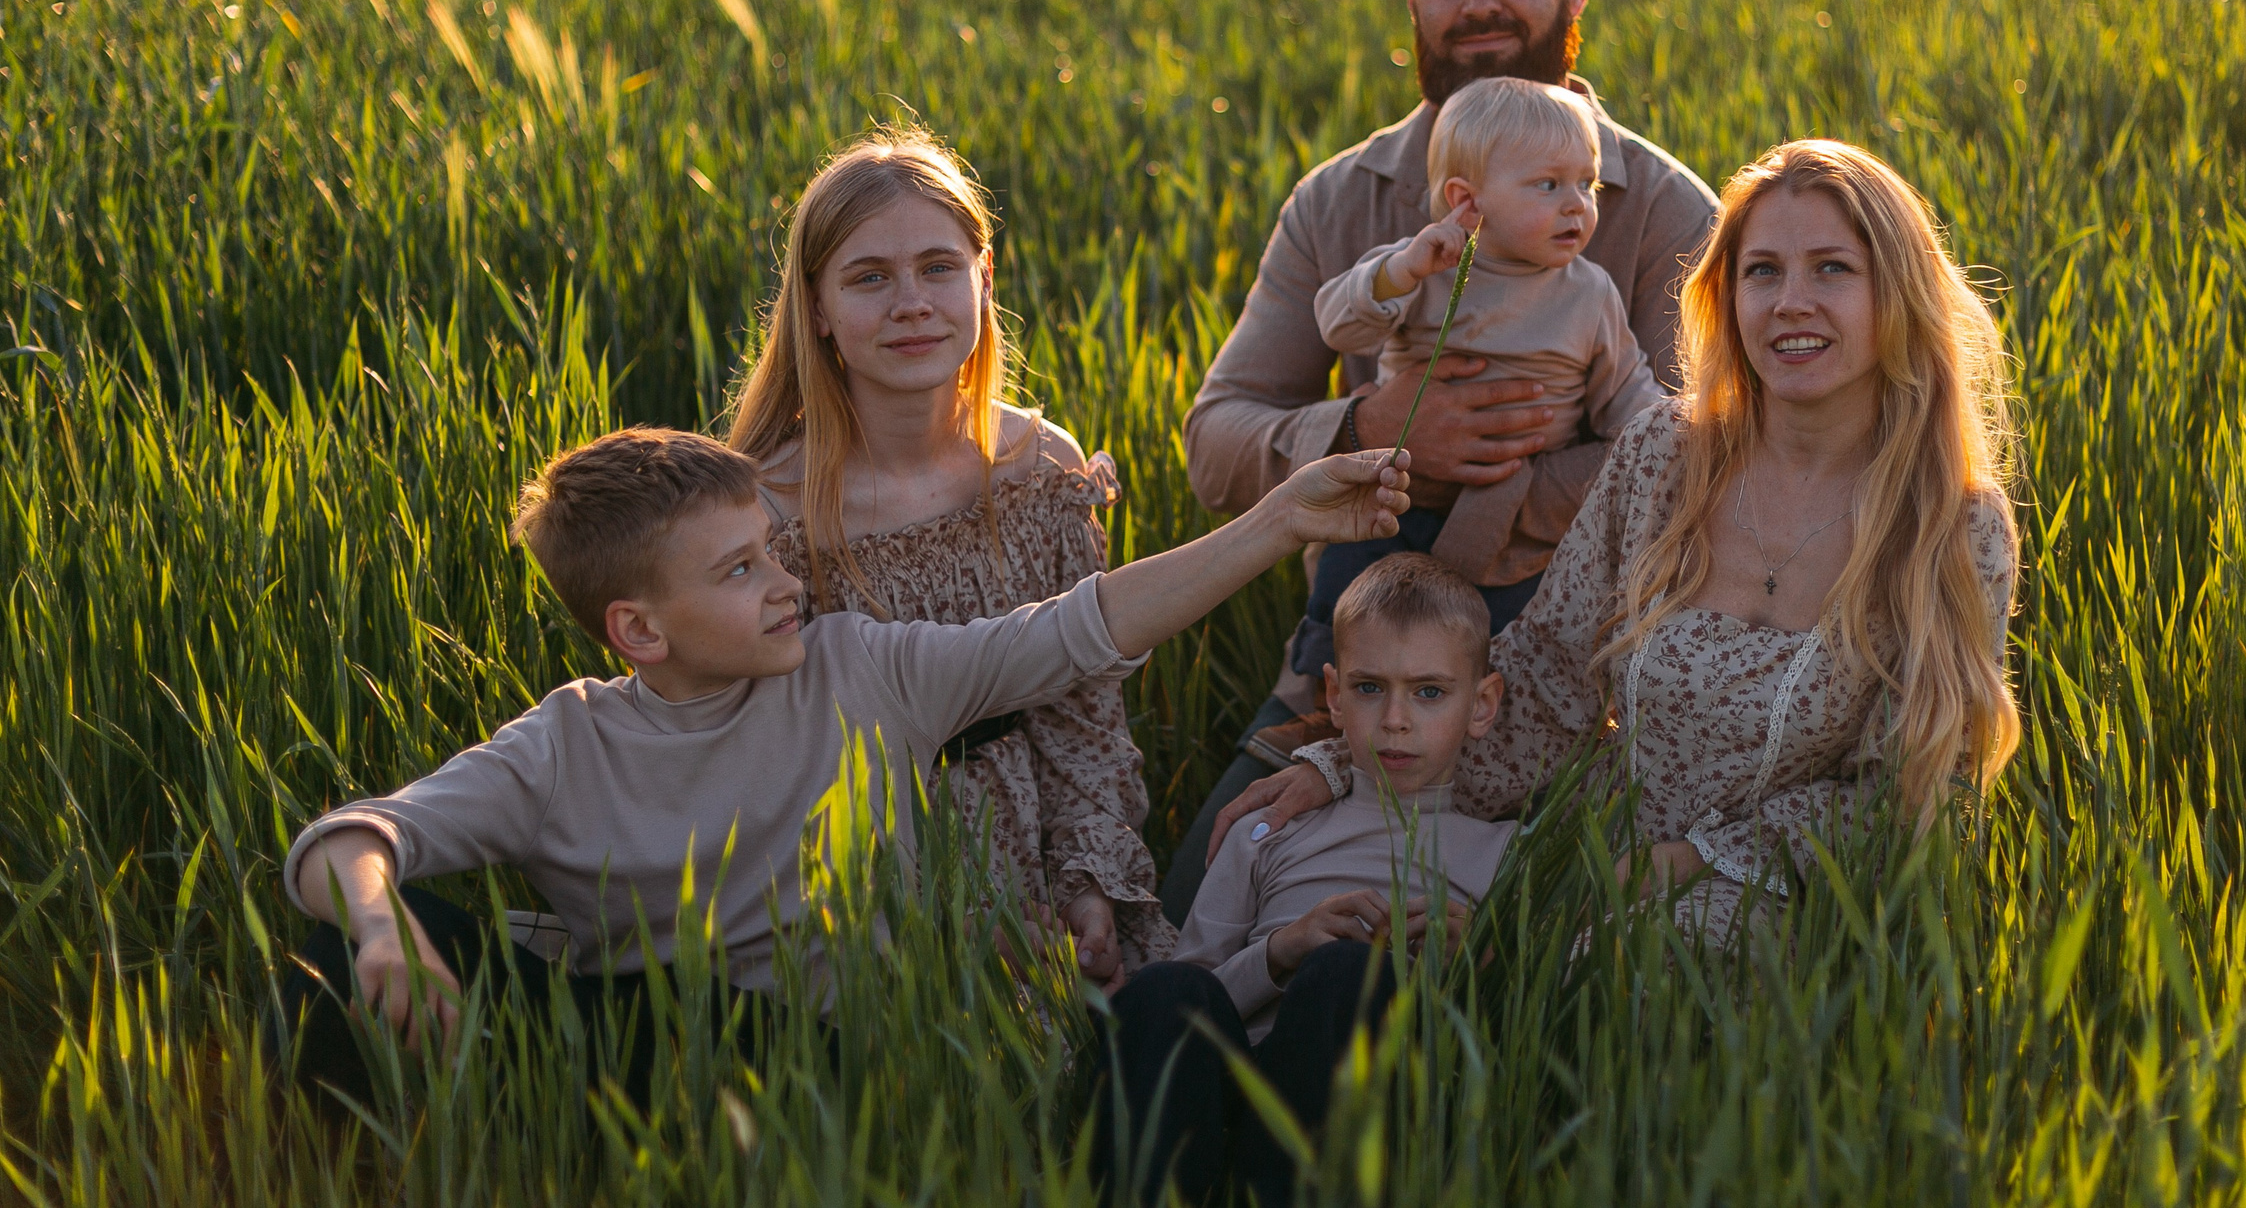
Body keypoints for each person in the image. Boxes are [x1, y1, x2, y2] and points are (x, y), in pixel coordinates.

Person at [276, 426, 1409, 1094]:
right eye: (737, 571)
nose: (783, 582)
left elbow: (1080, 626)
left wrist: (1277, 523)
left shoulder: (857, 667)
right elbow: (352, 838)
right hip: (654, 1053)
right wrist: (383, 930)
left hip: (845, 1060)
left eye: (770, 551)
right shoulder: (566, 742)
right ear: (639, 631)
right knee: (335, 953)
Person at [1214, 140, 2022, 942]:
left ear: (1901, 292)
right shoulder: (1662, 454)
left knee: (1616, 983)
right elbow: (1546, 679)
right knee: (1363, 941)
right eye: (1763, 270)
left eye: (1833, 269)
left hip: (1775, 902)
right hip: (1582, 860)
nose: (1790, 302)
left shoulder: (1952, 526)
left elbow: (1911, 790)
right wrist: (1345, 772)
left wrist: (1684, 862)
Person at [1170, 0, 1719, 920]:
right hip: (1356, 678)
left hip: (1576, 672)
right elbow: (1216, 442)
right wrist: (1370, 430)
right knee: (1205, 890)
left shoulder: (1659, 210)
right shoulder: (1343, 200)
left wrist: (1492, 488)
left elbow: (1698, 460)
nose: (1478, 4)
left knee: (1551, 948)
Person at [727, 128, 1170, 987]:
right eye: (868, 278)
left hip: (1043, 870)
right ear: (815, 307)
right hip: (859, 903)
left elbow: (1085, 724)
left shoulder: (1041, 469)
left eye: (938, 267)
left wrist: (1087, 886)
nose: (911, 303)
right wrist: (940, 922)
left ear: (984, 277)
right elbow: (769, 768)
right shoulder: (766, 509)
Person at [1094, 553, 1512, 1206]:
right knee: (1161, 987)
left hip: (1381, 1086)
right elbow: (1196, 983)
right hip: (1234, 1081)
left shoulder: (1503, 850)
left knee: (1349, 971)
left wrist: (1479, 956)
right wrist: (1282, 950)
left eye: (1429, 691)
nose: (1396, 718)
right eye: (1370, 687)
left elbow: (1516, 1028)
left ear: (1482, 703)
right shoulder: (1271, 829)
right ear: (1333, 695)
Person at [1302, 75, 1660, 667]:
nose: (1577, 203)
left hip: (1515, 528)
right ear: (1467, 199)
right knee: (1355, 610)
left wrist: (1676, 433)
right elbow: (1340, 326)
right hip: (1395, 500)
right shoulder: (1429, 268)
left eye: (1586, 183)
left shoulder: (1589, 292)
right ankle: (1334, 696)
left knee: (1503, 642)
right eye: (1548, 185)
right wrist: (1398, 272)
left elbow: (1626, 392)